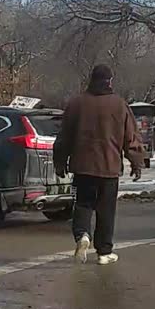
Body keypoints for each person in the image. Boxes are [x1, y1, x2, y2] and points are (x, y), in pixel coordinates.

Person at [54, 64, 145, 266]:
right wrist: (136, 163)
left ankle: (82, 236)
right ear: (110, 81)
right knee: (106, 210)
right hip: (109, 168)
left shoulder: (76, 104)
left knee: (83, 204)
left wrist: (60, 162)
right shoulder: (119, 105)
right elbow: (131, 138)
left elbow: (64, 138)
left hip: (83, 167)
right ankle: (104, 252)